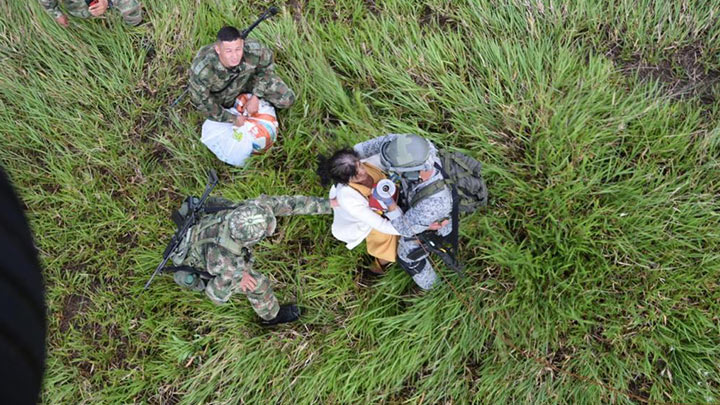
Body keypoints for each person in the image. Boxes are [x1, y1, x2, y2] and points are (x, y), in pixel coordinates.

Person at [167, 194, 330, 326]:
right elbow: (215, 295)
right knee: (258, 284)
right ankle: (271, 316)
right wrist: (240, 276)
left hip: (206, 230)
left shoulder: (247, 210)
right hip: (199, 256)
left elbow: (288, 203)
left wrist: (328, 205)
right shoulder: (227, 263)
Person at [352, 134, 452, 290]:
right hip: (414, 201)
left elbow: (404, 228)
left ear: (414, 173)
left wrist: (389, 202)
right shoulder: (412, 146)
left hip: (435, 222)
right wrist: (347, 161)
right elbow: (376, 145)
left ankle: (433, 287)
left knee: (408, 255)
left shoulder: (434, 203)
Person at [189, 26, 295, 166]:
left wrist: (256, 97)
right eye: (228, 51)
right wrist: (232, 118)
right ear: (217, 49)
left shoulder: (254, 50)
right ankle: (236, 106)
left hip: (246, 81)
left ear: (243, 45)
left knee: (287, 98)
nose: (234, 56)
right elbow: (203, 103)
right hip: (222, 96)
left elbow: (267, 69)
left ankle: (254, 102)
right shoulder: (203, 69)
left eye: (238, 49)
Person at [317, 149, 401, 275]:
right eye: (356, 174)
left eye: (360, 165)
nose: (363, 172)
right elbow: (380, 224)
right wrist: (408, 228)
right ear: (346, 181)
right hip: (368, 219)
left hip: (389, 199)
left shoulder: (367, 162)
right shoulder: (348, 198)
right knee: (386, 239)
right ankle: (377, 267)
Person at [38, 0, 143, 27]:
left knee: (130, 5)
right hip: (79, 12)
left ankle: (137, 28)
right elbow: (46, 2)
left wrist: (106, 2)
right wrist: (58, 14)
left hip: (105, 3)